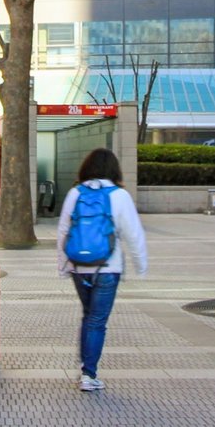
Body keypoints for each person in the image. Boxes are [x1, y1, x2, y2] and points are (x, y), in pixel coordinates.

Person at [57, 148, 148, 392]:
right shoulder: (120, 195)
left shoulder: (75, 193)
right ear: (114, 170)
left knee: (88, 317)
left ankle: (86, 370)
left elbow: (64, 232)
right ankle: (89, 374)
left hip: (79, 267)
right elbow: (133, 233)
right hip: (108, 268)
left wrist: (64, 266)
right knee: (97, 320)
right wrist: (141, 265)